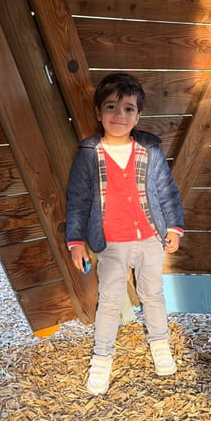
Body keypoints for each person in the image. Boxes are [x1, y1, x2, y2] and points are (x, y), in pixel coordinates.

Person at [66, 72, 184, 396]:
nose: (120, 116)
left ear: (139, 115)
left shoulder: (151, 151)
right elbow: (78, 201)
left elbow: (168, 192)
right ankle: (102, 358)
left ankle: (160, 345)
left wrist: (173, 228)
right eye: (112, 107)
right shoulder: (89, 155)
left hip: (150, 238)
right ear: (98, 112)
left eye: (129, 109)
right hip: (111, 243)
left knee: (153, 295)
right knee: (109, 300)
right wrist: (76, 244)